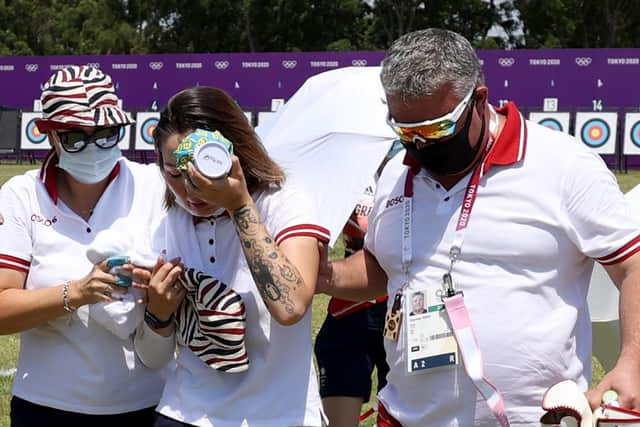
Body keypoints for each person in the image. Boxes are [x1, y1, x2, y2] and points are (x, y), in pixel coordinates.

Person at [316, 28, 640, 426]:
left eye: (435, 130)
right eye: (405, 132)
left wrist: (631, 363)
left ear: (479, 100)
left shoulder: (563, 164)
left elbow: (633, 265)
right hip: (405, 416)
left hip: (530, 419)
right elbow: (387, 269)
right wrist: (323, 275)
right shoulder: (395, 177)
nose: (418, 146)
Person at [135, 86, 330, 427]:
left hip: (280, 415)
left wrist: (239, 205)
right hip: (186, 412)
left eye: (201, 168)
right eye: (175, 173)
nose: (191, 189)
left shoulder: (284, 203)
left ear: (233, 153)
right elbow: (153, 358)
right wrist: (159, 314)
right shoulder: (165, 223)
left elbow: (291, 306)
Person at [0, 65, 166, 426]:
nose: (94, 147)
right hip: (45, 406)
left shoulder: (154, 185)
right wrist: (75, 293)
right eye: (76, 137)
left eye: (106, 134)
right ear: (50, 136)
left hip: (147, 404)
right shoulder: (22, 195)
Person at [314, 142, 402, 427]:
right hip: (350, 307)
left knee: (408, 413)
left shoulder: (419, 172)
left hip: (402, 309)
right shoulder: (345, 173)